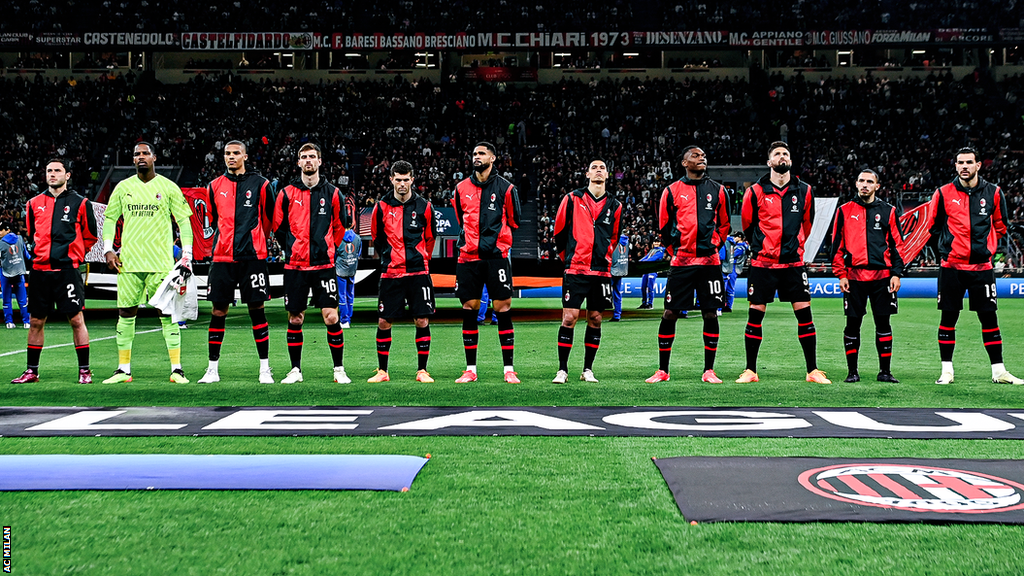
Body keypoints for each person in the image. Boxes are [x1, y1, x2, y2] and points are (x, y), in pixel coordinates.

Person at [924, 147, 1023, 385]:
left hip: (981, 268)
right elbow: (932, 226)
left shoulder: (994, 193)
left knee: (989, 319)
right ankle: (947, 371)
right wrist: (948, 247)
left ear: (979, 165)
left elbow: (1001, 225)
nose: (964, 166)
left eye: (969, 162)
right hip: (952, 267)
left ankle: (999, 371)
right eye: (960, 162)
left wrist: (984, 247)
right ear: (955, 166)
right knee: (949, 317)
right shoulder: (943, 193)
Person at [737, 141, 831, 384]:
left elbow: (807, 224)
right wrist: (761, 246)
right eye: (777, 154)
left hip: (792, 264)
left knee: (805, 316)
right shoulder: (755, 191)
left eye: (786, 154)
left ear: (790, 161)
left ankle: (812, 371)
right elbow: (748, 225)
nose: (782, 157)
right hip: (763, 264)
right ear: (769, 162)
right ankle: (750, 370)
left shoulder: (804, 190)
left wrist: (796, 245)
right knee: (756, 314)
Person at [101, 143, 194, 384]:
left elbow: (184, 222)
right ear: (133, 160)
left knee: (167, 314)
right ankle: (123, 370)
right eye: (136, 154)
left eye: (144, 153)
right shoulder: (123, 188)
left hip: (161, 263)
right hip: (128, 262)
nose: (140, 157)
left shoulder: (168, 187)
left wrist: (187, 254)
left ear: (154, 157)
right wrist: (108, 249)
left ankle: (177, 369)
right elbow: (110, 219)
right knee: (125, 313)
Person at [644, 146, 730, 384]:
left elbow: (724, 226)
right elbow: (664, 225)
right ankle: (663, 370)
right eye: (695, 155)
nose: (701, 158)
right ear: (684, 163)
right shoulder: (671, 191)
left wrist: (713, 244)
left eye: (703, 155)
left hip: (709, 262)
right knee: (670, 312)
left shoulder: (719, 191)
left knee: (710, 312)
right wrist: (677, 251)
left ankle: (709, 370)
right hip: (681, 262)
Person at [11, 159, 98, 384]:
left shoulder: (81, 203)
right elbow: (32, 233)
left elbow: (90, 236)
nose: (52, 174)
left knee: (77, 320)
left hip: (67, 270)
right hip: (40, 270)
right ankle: (32, 371)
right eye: (49, 170)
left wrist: (72, 254)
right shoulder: (33, 203)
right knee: (36, 320)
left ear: (67, 175)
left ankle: (85, 371)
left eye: (57, 170)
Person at [197, 140, 276, 385]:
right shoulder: (214, 186)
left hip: (252, 257)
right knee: (218, 311)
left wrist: (255, 241)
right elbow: (213, 217)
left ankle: (265, 369)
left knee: (257, 311)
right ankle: (212, 370)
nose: (231, 157)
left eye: (235, 153)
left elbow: (269, 219)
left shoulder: (261, 184)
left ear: (245, 156)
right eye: (227, 154)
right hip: (221, 257)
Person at [272, 143, 350, 384]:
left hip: (323, 266)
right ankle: (295, 370)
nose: (308, 161)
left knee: (331, 317)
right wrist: (292, 249)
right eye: (304, 157)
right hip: (295, 266)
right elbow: (278, 227)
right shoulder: (286, 193)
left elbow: (340, 227)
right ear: (298, 163)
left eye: (312, 157)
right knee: (295, 318)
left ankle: (339, 370)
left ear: (319, 161)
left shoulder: (334, 194)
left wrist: (325, 250)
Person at [451, 142, 521, 383]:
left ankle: (508, 369)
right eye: (474, 154)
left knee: (503, 308)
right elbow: (461, 218)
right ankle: (470, 369)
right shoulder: (460, 188)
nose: (477, 157)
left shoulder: (507, 189)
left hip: (495, 258)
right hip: (468, 258)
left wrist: (498, 243)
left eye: (481, 153)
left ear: (493, 157)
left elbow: (514, 220)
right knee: (469, 309)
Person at [830, 170, 906, 383]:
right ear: (856, 184)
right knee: (852, 324)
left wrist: (896, 273)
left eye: (869, 182)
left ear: (877, 186)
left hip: (882, 277)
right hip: (854, 277)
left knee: (883, 324)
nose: (865, 185)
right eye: (862, 181)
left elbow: (897, 245)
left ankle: (885, 372)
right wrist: (840, 274)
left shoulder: (888, 211)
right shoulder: (844, 211)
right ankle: (852, 372)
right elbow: (836, 245)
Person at [551, 159, 622, 383]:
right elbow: (559, 233)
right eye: (594, 168)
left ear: (608, 175)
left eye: (603, 168)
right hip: (576, 268)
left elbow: (615, 236)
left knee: (596, 318)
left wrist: (605, 256)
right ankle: (562, 369)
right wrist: (570, 258)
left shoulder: (615, 205)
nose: (598, 171)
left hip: (600, 271)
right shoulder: (572, 199)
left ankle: (587, 369)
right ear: (587, 174)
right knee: (569, 318)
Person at [367, 160, 437, 383]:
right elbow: (377, 238)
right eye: (398, 179)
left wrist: (420, 259)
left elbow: (430, 238)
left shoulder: (424, 206)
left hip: (418, 272)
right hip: (391, 273)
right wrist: (390, 257)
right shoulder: (381, 207)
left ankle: (422, 371)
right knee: (384, 321)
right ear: (391, 180)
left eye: (406, 179)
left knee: (422, 320)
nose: (402, 184)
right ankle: (382, 371)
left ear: (412, 180)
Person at [0, 221, 31, 329]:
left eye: (1, 230)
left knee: (6, 299)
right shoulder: (20, 239)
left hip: (5, 273)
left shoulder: (0, 243)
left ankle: (9, 322)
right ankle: (27, 322)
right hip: (19, 272)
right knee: (22, 299)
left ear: (7, 230)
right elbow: (26, 255)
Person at [336, 228, 361, 329]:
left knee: (341, 295)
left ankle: (344, 320)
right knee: (350, 294)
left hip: (340, 270)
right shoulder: (358, 238)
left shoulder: (338, 238)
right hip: (352, 268)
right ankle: (349, 319)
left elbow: (334, 254)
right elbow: (358, 253)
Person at [720, 231, 748, 313]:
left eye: (736, 236)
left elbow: (731, 255)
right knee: (728, 287)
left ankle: (728, 306)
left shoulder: (740, 248)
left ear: (739, 238)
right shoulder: (740, 246)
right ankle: (727, 305)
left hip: (734, 267)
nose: (734, 238)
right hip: (734, 267)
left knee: (729, 287)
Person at [638, 242, 666, 309]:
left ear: (659, 243)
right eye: (654, 242)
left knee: (650, 287)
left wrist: (644, 261)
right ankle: (644, 303)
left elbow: (652, 259)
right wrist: (639, 262)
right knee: (643, 287)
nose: (655, 243)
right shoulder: (652, 250)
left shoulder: (660, 251)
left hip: (653, 270)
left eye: (657, 242)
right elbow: (646, 257)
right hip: (646, 270)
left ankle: (650, 304)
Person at [610, 234, 629, 321]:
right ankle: (617, 314)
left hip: (612, 271)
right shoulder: (627, 242)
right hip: (622, 270)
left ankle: (595, 315)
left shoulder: (613, 242)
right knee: (617, 293)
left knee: (602, 293)